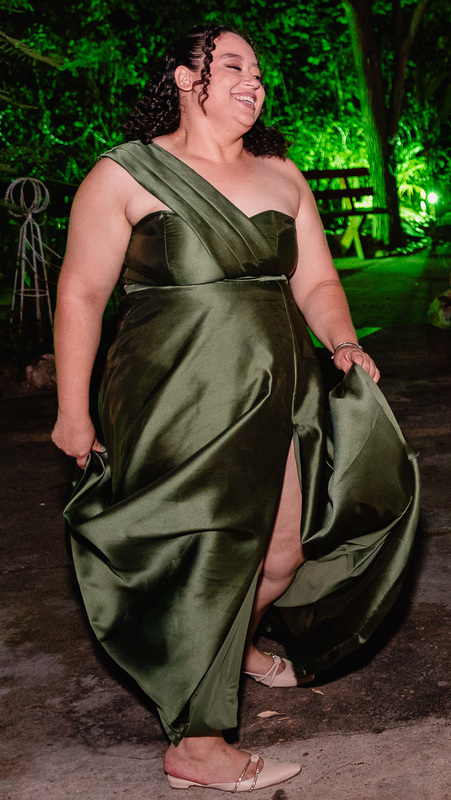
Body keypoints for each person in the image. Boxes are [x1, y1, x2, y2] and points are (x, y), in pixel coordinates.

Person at [52, 25, 419, 791]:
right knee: (207, 557)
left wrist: (342, 341)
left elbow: (316, 283)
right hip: (172, 393)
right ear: (187, 77)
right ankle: (199, 742)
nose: (254, 80)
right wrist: (71, 410)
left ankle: (224, 653)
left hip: (274, 389)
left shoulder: (282, 175)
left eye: (258, 70)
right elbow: (82, 294)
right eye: (233, 65)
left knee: (281, 553)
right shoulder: (126, 172)